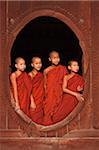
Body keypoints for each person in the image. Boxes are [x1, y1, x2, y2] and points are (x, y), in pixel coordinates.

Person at [43, 51, 68, 125]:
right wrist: (46, 94)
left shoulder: (63, 69)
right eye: (54, 58)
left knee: (59, 110)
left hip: (60, 92)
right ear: (50, 59)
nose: (56, 59)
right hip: (50, 94)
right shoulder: (46, 71)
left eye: (57, 58)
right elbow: (45, 84)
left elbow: (67, 81)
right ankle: (48, 126)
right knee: (48, 110)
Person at [28, 57, 44, 124]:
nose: (39, 65)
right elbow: (28, 90)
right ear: (32, 64)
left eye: (40, 63)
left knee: (40, 118)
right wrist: (32, 102)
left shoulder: (41, 75)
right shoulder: (30, 75)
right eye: (36, 63)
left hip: (41, 99)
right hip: (34, 99)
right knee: (33, 117)